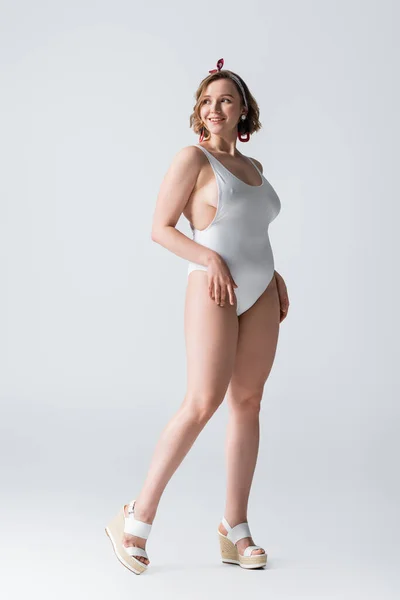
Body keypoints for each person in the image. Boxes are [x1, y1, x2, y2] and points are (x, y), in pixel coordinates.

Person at [105, 57, 290, 575]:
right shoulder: (193, 158)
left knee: (248, 402)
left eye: (225, 99)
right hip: (213, 289)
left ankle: (235, 529)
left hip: (260, 293)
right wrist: (208, 257)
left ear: (243, 109)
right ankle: (135, 518)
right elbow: (161, 228)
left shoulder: (255, 170)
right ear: (198, 111)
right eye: (207, 101)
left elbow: (255, 231)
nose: (214, 108)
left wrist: (273, 277)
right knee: (202, 401)